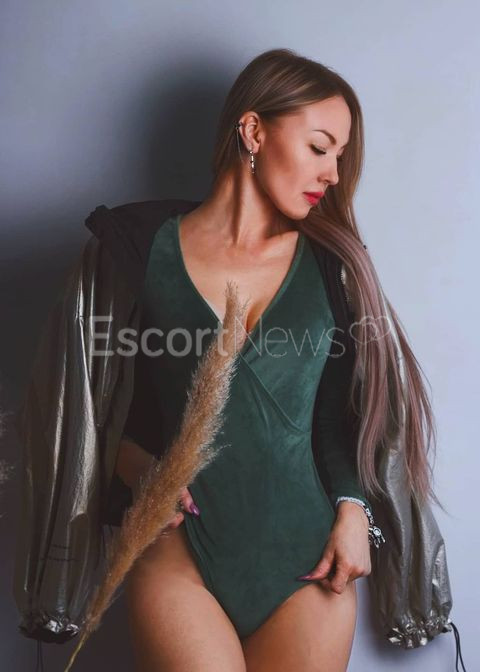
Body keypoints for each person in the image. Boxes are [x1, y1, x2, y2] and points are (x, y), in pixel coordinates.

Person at [111, 47, 418, 672]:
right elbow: (91, 405)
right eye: (320, 147)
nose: (333, 173)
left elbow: (338, 416)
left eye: (340, 155)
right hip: (179, 552)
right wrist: (135, 465)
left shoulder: (334, 266)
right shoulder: (135, 250)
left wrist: (353, 509)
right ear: (253, 131)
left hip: (309, 562)